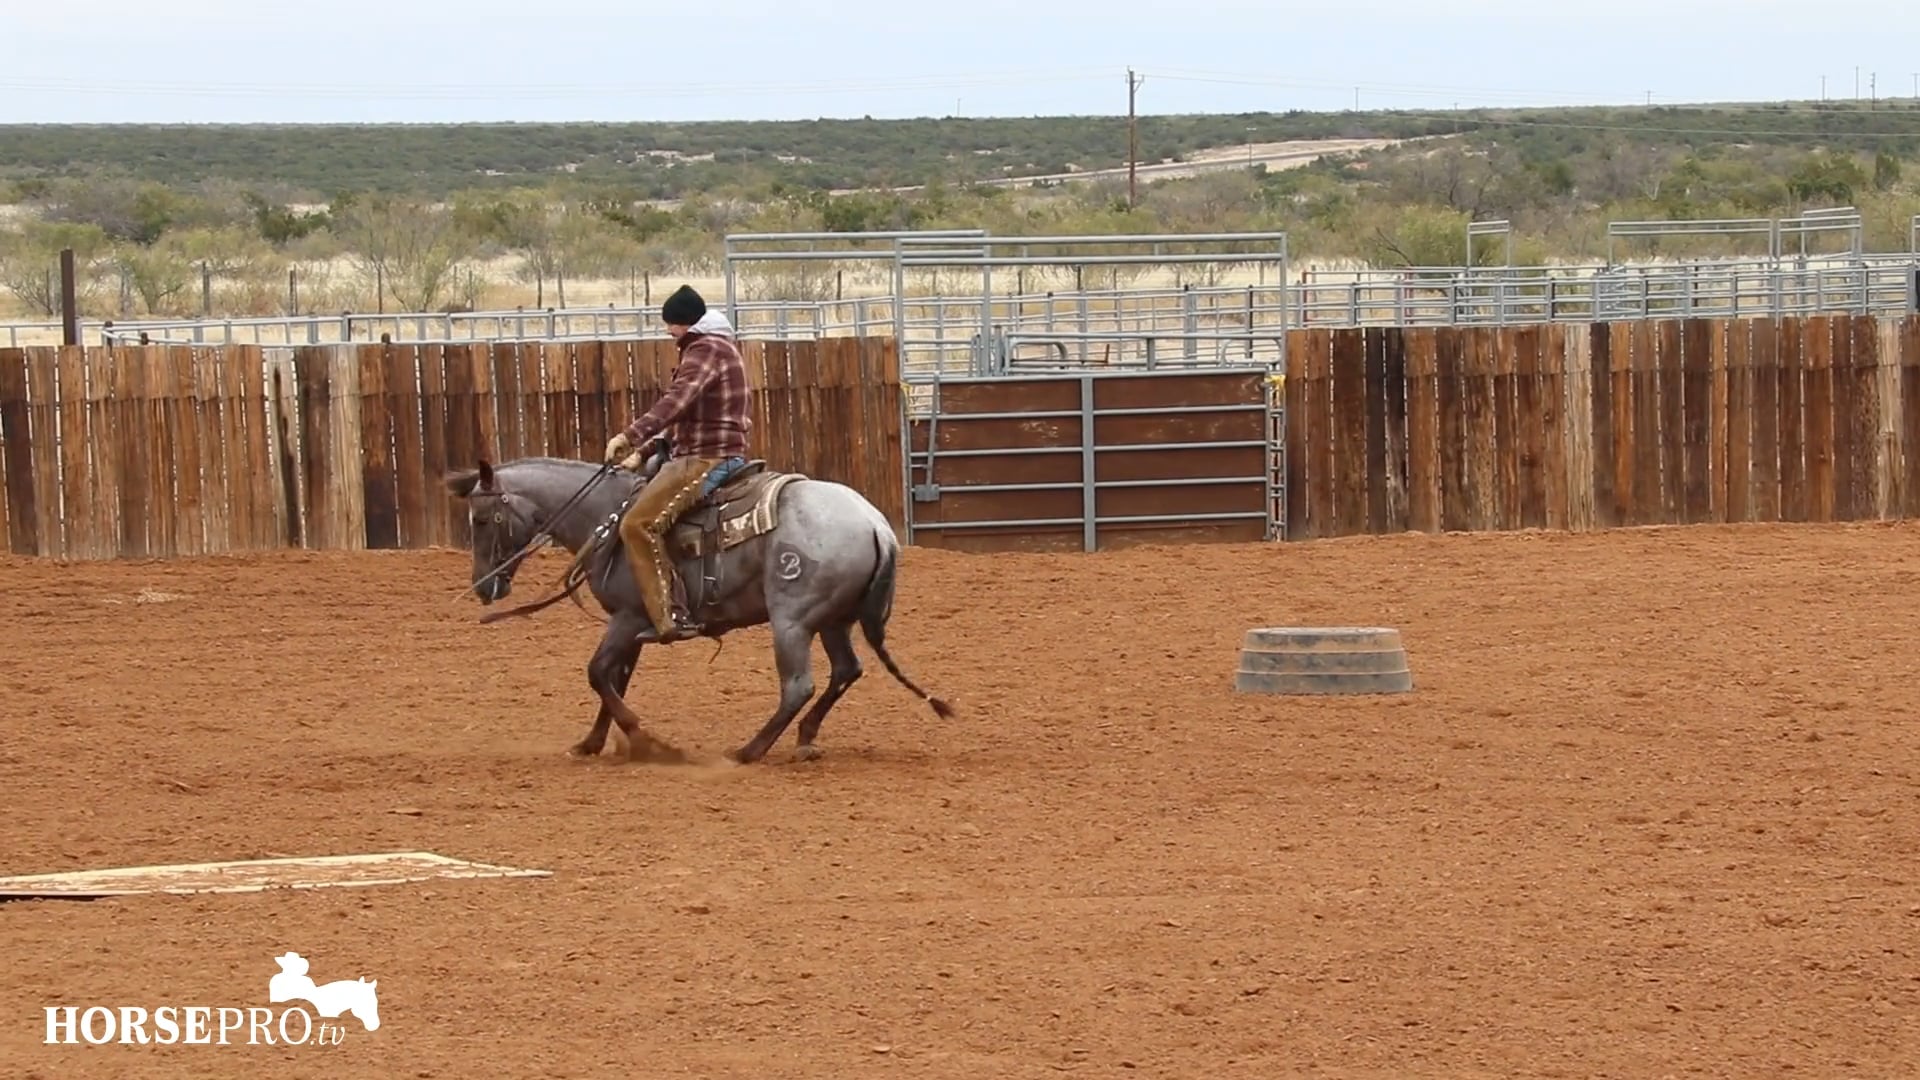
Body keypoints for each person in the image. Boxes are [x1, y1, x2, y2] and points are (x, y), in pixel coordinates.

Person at [604, 284, 753, 643]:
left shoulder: (705, 349)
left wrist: (629, 437)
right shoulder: (716, 347)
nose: (669, 332)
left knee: (637, 525)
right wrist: (645, 453)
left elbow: (676, 401)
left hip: (706, 457)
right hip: (707, 448)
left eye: (672, 324)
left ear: (688, 322)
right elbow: (687, 414)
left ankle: (670, 615)